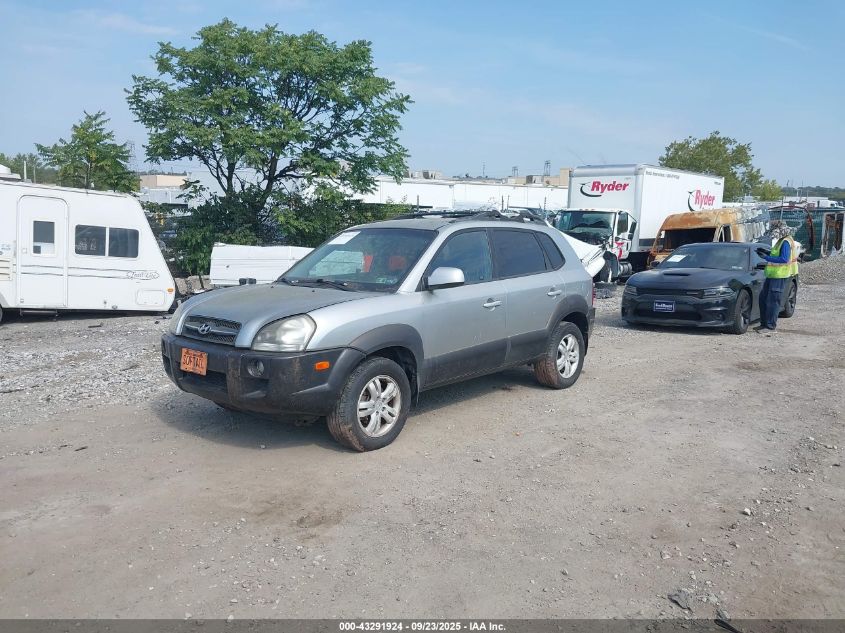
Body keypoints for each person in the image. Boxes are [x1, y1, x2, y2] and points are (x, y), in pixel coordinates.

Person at [754, 221, 798, 333]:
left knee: (773, 301)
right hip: (772, 275)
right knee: (763, 299)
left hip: (780, 275)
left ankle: (770, 327)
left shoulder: (785, 242)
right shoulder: (781, 241)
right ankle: (764, 324)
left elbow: (784, 259)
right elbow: (777, 254)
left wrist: (766, 257)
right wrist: (767, 253)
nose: (773, 234)